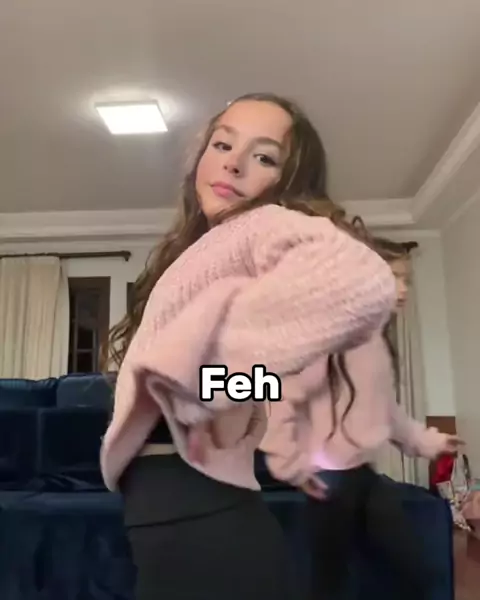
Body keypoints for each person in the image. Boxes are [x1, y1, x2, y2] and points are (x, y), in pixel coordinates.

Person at [100, 92, 397, 600]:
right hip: (179, 523)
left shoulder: (260, 224)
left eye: (263, 157)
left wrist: (205, 389)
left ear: (288, 180)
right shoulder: (206, 250)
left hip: (205, 524)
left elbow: (363, 283)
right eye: (222, 145)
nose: (233, 163)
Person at [260, 232, 462, 599]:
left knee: (415, 569)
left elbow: (386, 410)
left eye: (406, 279)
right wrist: (290, 463)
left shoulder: (373, 341)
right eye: (393, 277)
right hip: (327, 477)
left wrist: (429, 441)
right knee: (328, 582)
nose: (403, 289)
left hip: (361, 474)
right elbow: (283, 399)